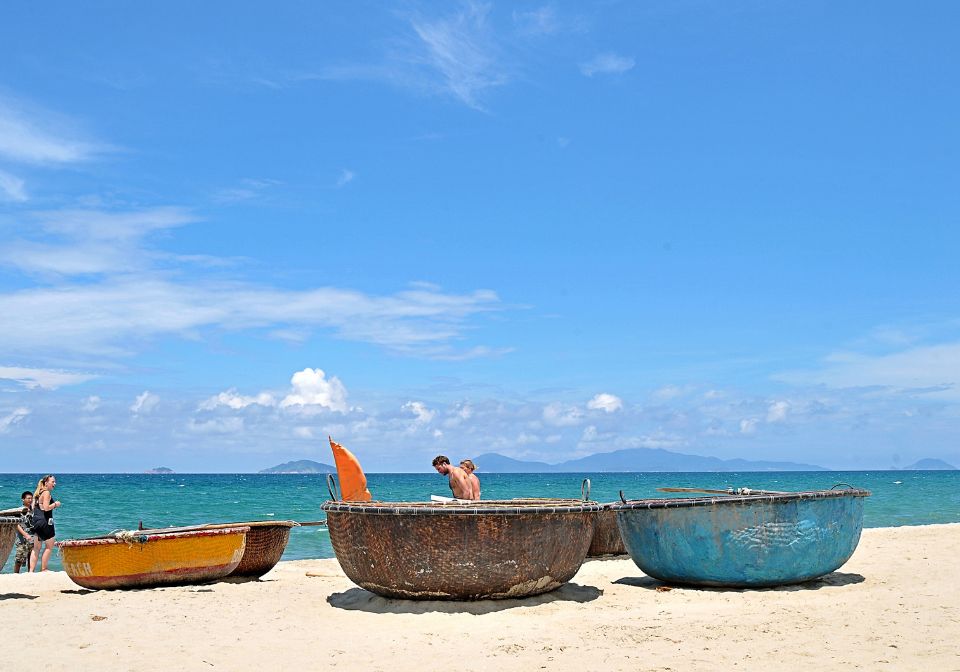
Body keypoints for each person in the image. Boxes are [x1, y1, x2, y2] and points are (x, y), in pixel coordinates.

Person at [30, 475, 62, 572]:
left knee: (36, 548)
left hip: (36, 522)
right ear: (46, 483)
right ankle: (44, 569)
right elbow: (46, 508)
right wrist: (56, 504)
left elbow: (32, 508)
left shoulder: (37, 493)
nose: (54, 483)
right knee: (49, 546)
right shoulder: (46, 493)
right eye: (53, 482)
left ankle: (31, 571)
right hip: (45, 522)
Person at [13, 491, 35, 573]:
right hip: (22, 539)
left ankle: (30, 573)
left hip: (33, 537)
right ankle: (15, 574)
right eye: (28, 498)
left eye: (31, 498)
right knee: (19, 559)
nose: (30, 500)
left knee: (31, 558)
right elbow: (16, 524)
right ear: (23, 499)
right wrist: (25, 534)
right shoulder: (19, 511)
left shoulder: (33, 511)